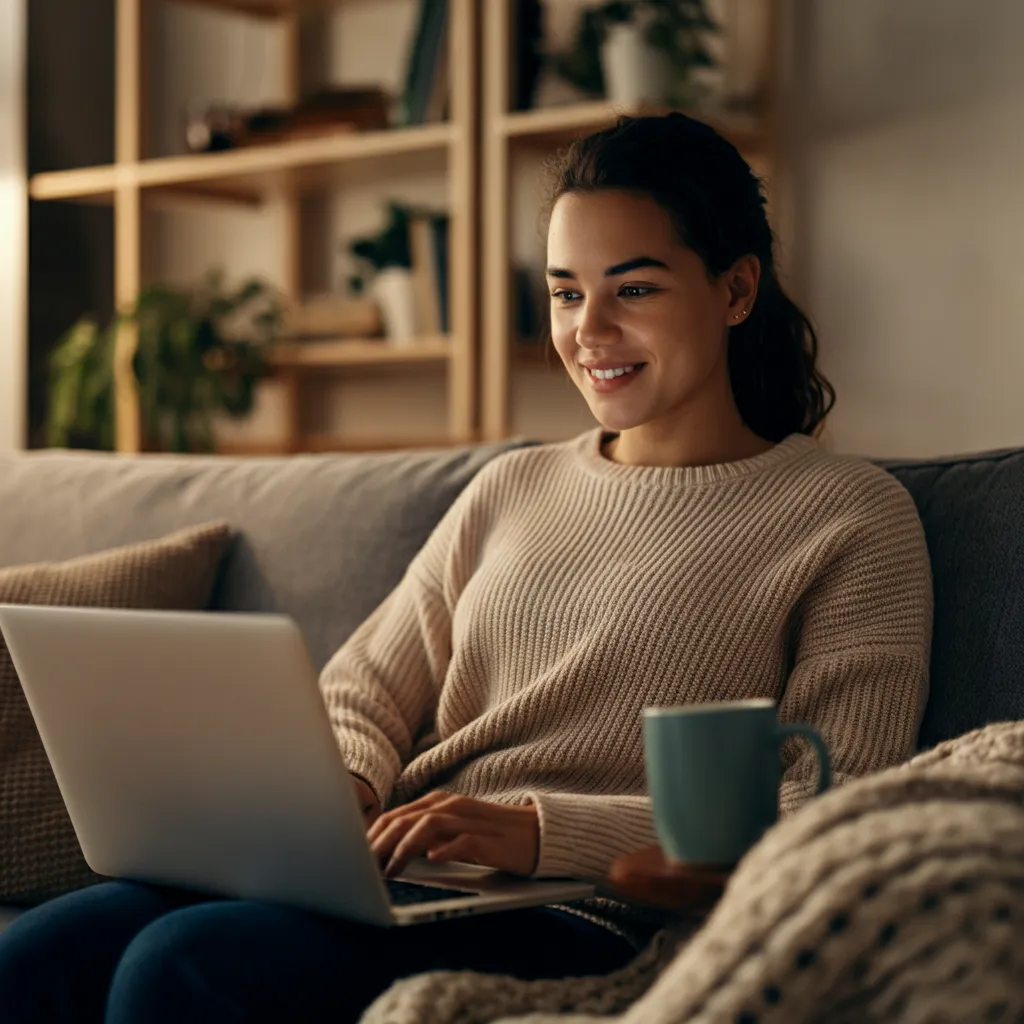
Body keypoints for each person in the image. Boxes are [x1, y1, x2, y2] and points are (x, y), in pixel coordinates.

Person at [0, 113, 933, 1023]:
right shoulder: (511, 486)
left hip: (594, 914)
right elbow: (360, 689)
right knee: (37, 956)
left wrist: (533, 830)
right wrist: (347, 795)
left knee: (185, 968)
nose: (589, 330)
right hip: (410, 877)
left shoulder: (848, 516)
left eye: (634, 290)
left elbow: (832, 805)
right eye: (567, 293)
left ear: (735, 290)